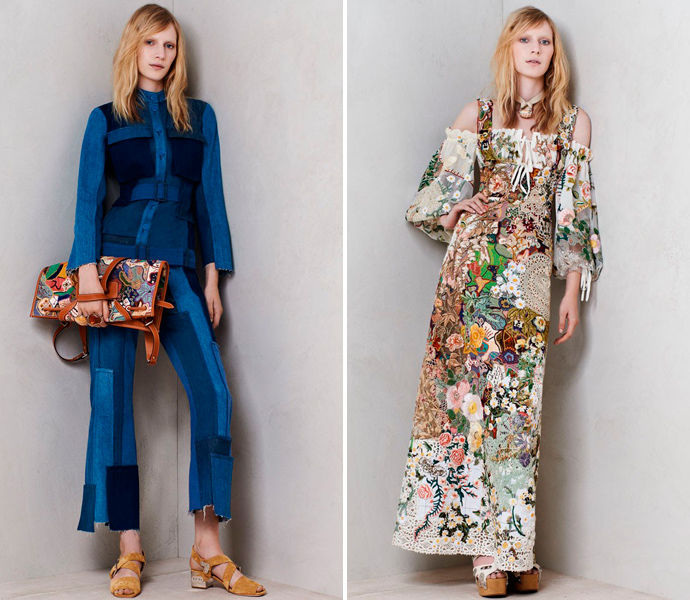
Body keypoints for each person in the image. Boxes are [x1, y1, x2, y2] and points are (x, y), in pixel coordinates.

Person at [391, 6, 603, 597]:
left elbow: (574, 215)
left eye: (546, 41)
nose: (536, 49)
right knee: (471, 411)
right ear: (509, 47)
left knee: (518, 414)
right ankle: (488, 557)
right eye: (525, 39)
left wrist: (571, 292)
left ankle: (517, 548)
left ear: (554, 54)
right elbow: (432, 198)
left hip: (528, 280)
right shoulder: (477, 115)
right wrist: (454, 209)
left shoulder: (574, 124)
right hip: (471, 277)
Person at [66, 4, 266, 597]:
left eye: (170, 45)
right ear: (133, 48)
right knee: (112, 405)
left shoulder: (199, 117)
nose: (160, 54)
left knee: (215, 394)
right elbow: (86, 197)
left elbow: (210, 200)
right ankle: (129, 549)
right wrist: (87, 278)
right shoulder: (106, 118)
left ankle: (207, 548)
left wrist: (212, 276)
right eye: (151, 43)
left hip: (177, 269)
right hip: (114, 269)